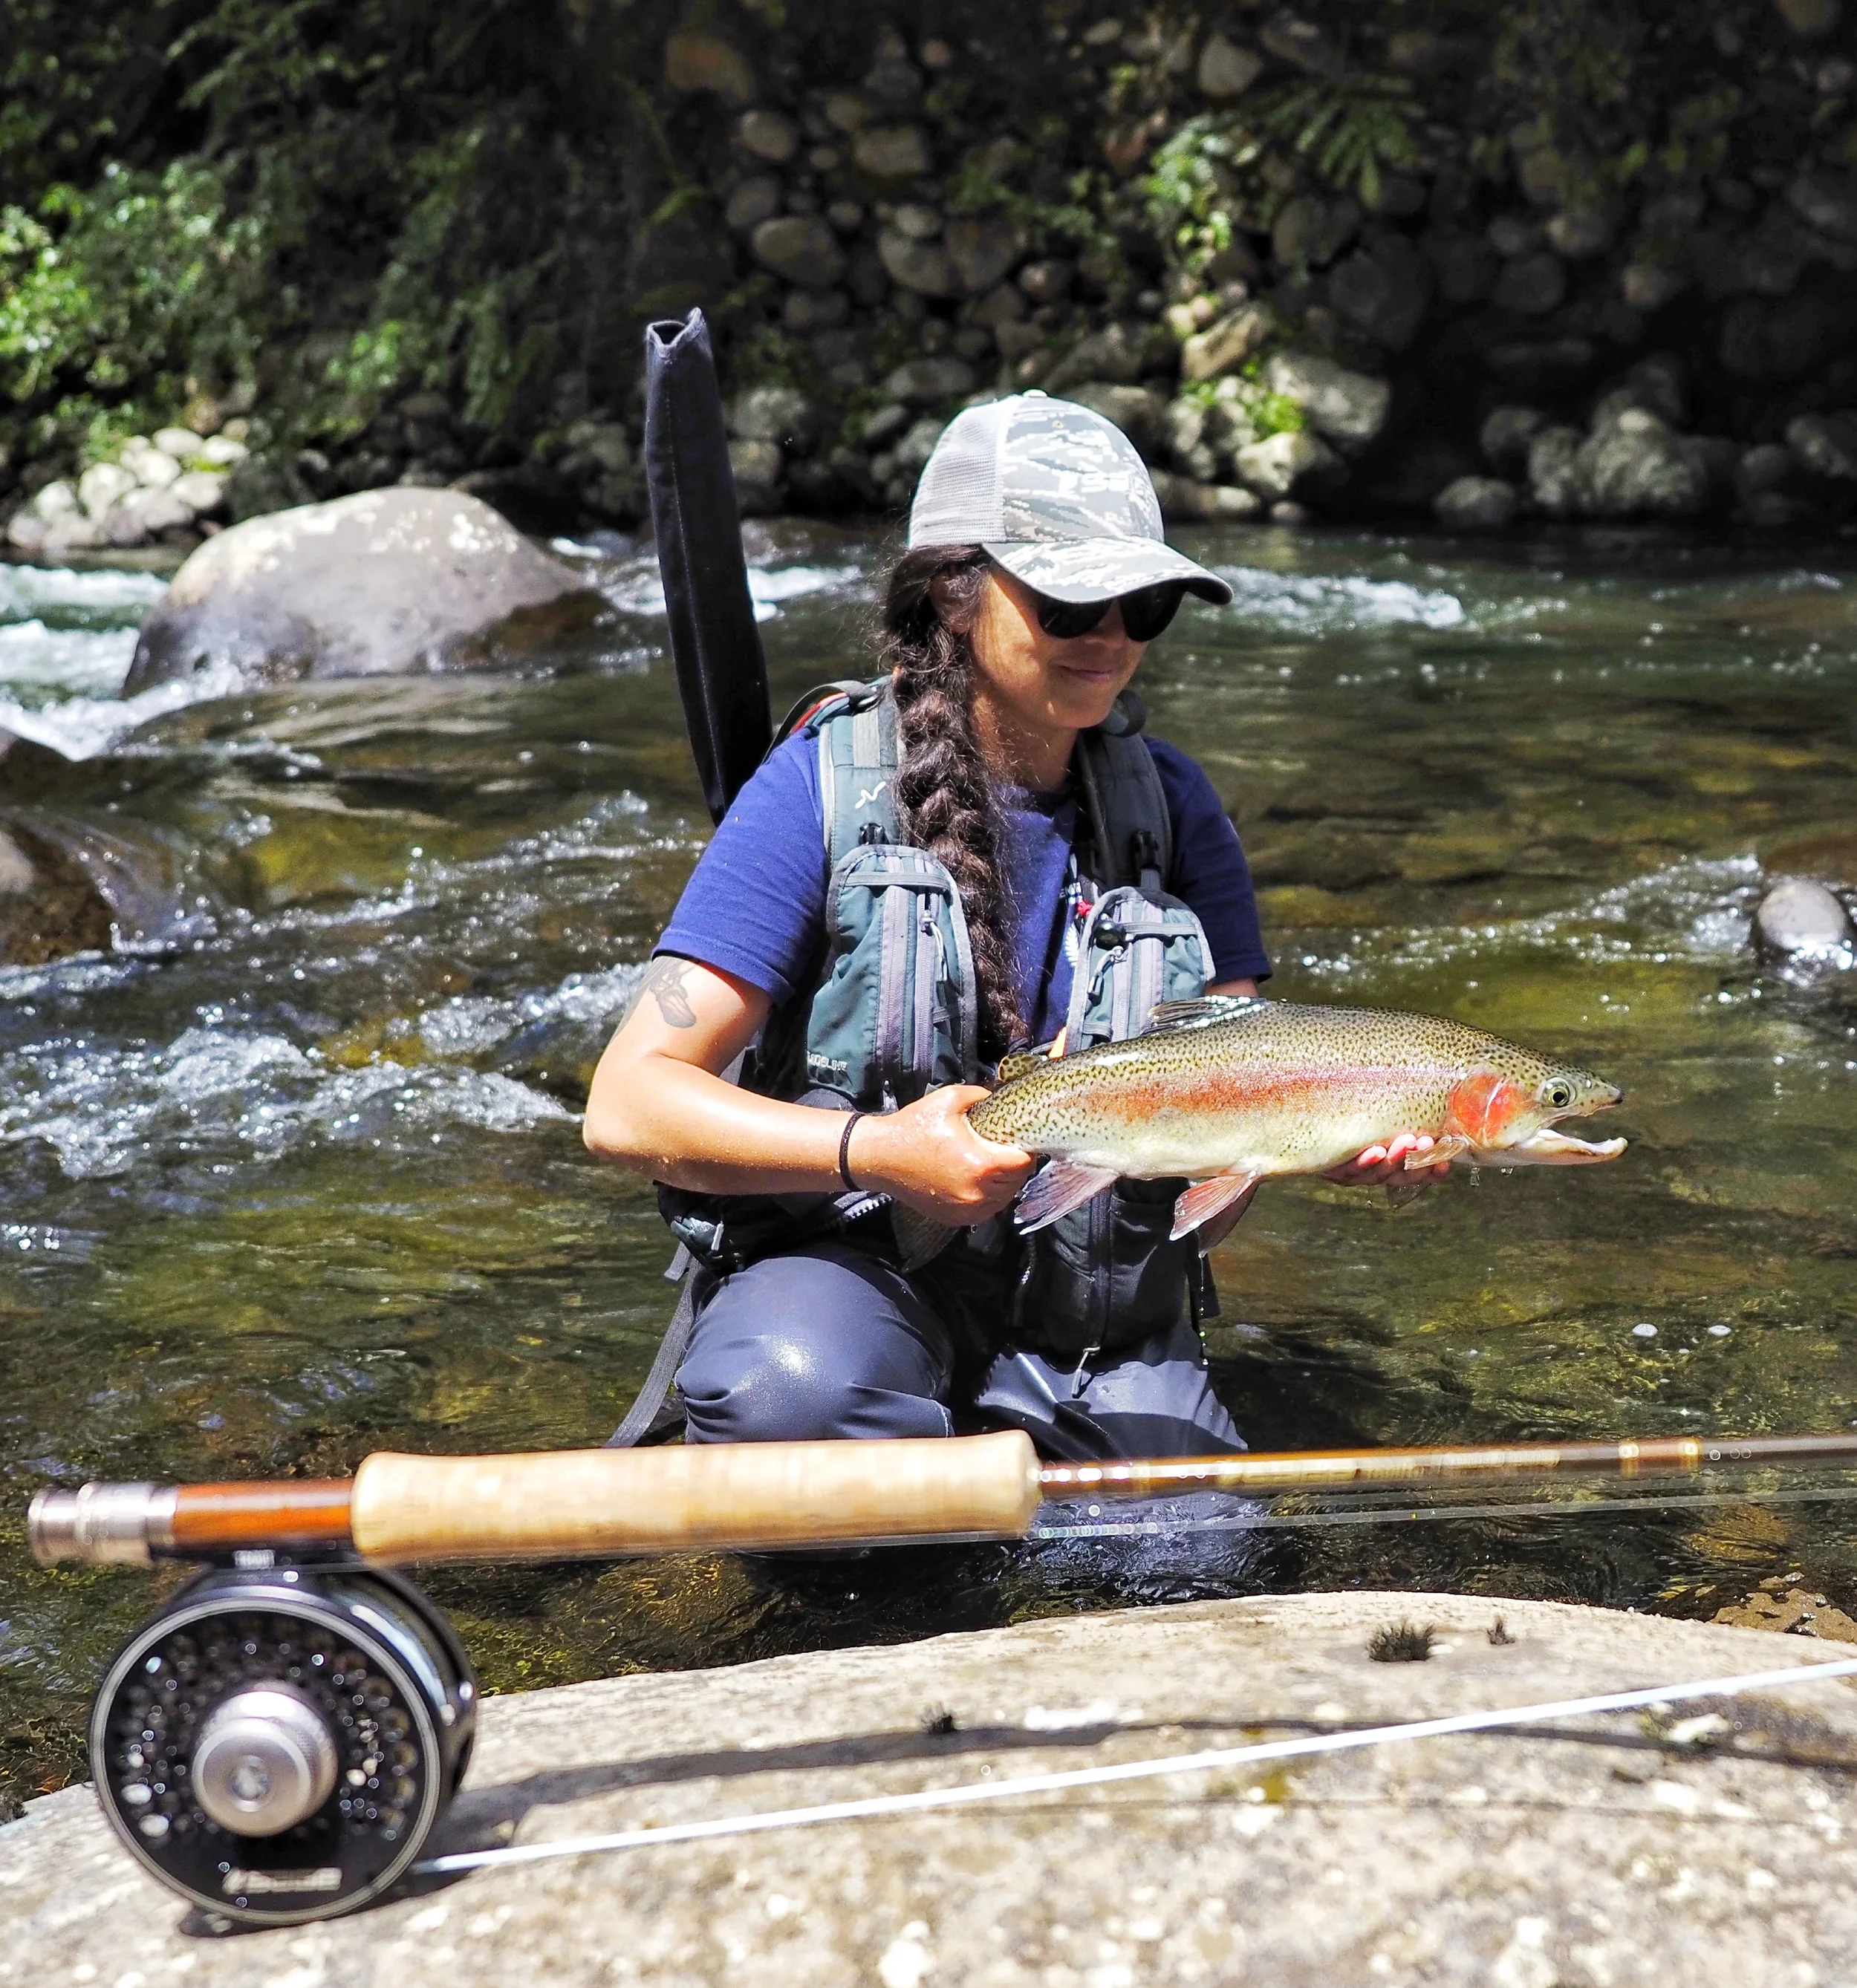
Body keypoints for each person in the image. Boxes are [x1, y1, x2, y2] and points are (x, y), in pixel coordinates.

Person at [585, 391, 1440, 1461]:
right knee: (787, 1399)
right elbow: (626, 1105)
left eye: (1146, 608)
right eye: (1074, 606)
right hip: (861, 1277)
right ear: (955, 594)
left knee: (1197, 1555)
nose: (1115, 641)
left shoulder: (1179, 813)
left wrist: (1318, 1142)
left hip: (1097, 1321)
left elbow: (1209, 1210)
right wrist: (881, 1151)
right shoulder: (820, 787)